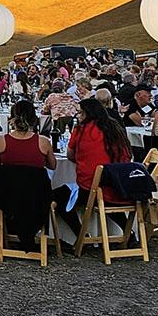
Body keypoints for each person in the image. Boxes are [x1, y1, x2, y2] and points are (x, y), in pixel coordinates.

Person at [56, 98, 133, 235]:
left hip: (91, 187)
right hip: (119, 185)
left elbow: (70, 155)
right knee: (104, 196)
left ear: (87, 113)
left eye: (80, 113)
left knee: (57, 197)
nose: (78, 116)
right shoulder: (114, 128)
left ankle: (81, 235)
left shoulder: (82, 130)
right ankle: (129, 233)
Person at [0, 99, 56, 169]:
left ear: (11, 118)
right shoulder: (43, 142)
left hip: (9, 176)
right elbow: (52, 166)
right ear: (34, 119)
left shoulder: (0, 141)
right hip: (35, 176)